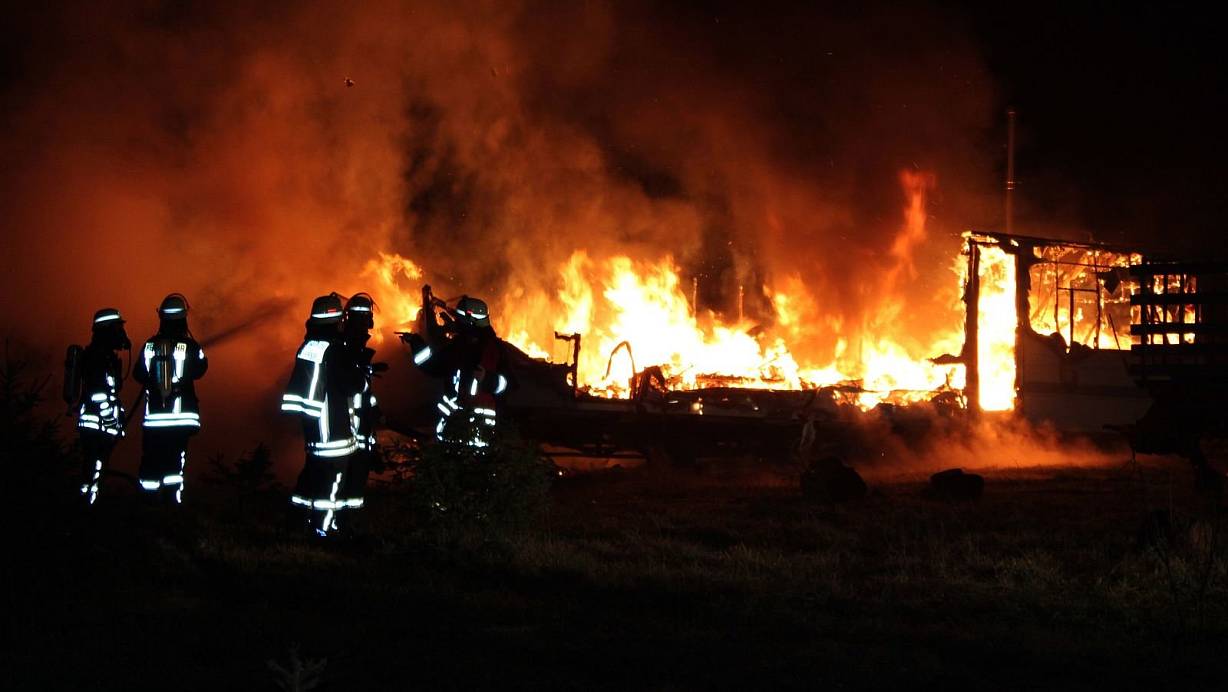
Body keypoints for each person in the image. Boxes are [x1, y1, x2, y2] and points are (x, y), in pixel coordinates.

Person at [281, 294, 363, 537]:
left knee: (311, 479)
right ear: (337, 320)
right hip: (334, 432)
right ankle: (323, 531)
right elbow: (352, 385)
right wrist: (359, 370)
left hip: (313, 430)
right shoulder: (336, 350)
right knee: (331, 486)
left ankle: (297, 523)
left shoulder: (308, 346)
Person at [403, 288, 510, 448]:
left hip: (475, 432)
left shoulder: (485, 348)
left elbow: (506, 384)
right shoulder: (467, 345)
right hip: (458, 427)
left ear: (469, 321)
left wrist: (487, 379)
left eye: (460, 319)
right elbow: (435, 366)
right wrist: (416, 343)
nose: (457, 323)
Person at [132, 293, 208, 504]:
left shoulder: (149, 345)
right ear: (184, 317)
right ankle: (171, 506)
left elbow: (138, 374)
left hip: (154, 419)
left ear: (161, 317)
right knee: (174, 464)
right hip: (181, 419)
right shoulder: (191, 346)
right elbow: (201, 369)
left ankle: (147, 506)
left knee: (150, 462)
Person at [70, 308, 130, 505]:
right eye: (118, 328)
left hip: (100, 424)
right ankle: (86, 506)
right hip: (96, 424)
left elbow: (110, 392)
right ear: (106, 330)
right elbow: (98, 393)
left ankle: (88, 502)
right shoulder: (97, 357)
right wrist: (110, 418)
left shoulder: (106, 357)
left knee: (97, 466)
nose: (121, 333)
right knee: (93, 467)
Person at [338, 293, 386, 527]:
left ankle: (346, 522)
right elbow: (354, 387)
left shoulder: (352, 344)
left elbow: (365, 392)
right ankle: (343, 524)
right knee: (349, 478)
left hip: (355, 426)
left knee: (350, 478)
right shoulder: (349, 346)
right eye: (366, 317)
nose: (368, 324)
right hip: (349, 428)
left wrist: (376, 411)